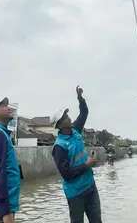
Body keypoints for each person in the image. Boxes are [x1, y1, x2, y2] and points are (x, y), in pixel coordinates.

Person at [50, 86, 101, 223]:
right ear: (60, 125)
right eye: (65, 116)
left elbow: (84, 113)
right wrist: (87, 164)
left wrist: (80, 98)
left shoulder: (76, 131)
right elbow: (66, 174)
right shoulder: (59, 147)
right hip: (75, 193)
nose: (68, 116)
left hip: (90, 186)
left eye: (67, 114)